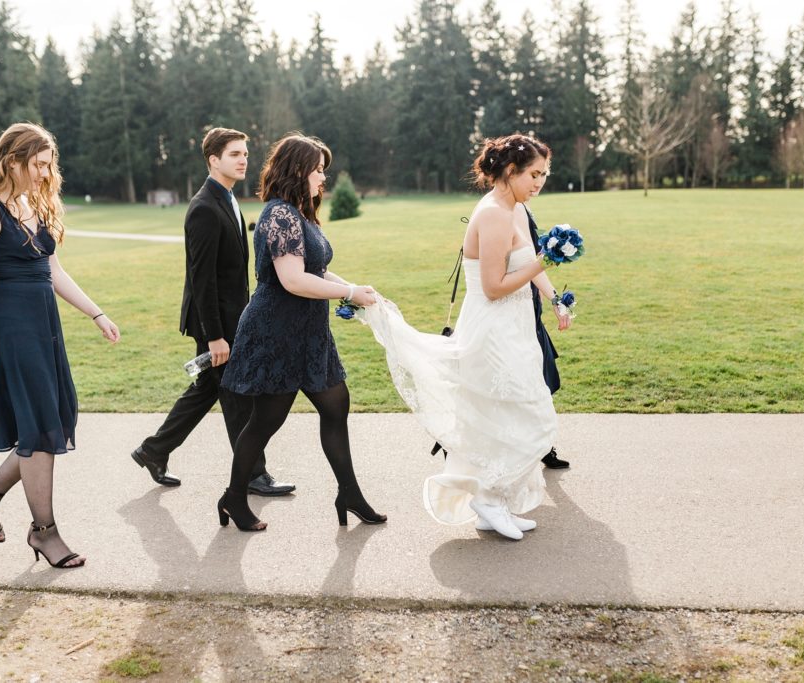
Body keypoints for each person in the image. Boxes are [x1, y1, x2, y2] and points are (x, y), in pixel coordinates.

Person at [360, 133, 559, 540]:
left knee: (512, 415)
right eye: (535, 174)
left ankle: (494, 502)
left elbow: (525, 268)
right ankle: (487, 499)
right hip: (493, 329)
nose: (540, 182)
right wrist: (544, 259)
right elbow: (493, 286)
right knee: (525, 416)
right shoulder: (492, 215)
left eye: (544, 175)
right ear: (510, 171)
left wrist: (553, 292)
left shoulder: (516, 209)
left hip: (516, 328)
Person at [0, 122, 120, 568]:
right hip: (10, 334)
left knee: (51, 421)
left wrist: (96, 312)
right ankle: (44, 532)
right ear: (13, 161)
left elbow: (54, 272)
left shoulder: (33, 204)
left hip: (44, 329)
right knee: (39, 429)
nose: (46, 174)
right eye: (39, 164)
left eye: (50, 166)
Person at [218, 133, 385, 531]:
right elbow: (293, 280)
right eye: (318, 170)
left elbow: (316, 271)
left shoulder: (300, 213)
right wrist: (347, 292)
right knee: (265, 421)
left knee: (335, 404)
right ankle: (233, 497)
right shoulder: (279, 216)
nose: (322, 178)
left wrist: (357, 291)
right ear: (298, 170)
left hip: (309, 331)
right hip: (276, 331)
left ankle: (349, 493)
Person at [130, 127, 294, 497]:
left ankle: (154, 450)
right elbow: (201, 279)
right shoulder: (204, 207)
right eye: (234, 154)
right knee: (237, 397)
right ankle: (253, 473)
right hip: (216, 322)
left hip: (230, 317)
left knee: (208, 389)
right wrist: (215, 336)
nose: (242, 160)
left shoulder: (228, 199)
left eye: (245, 154)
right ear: (213, 160)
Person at [520, 192, 572, 470]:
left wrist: (554, 299)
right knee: (529, 384)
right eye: (532, 175)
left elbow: (534, 264)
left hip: (530, 308)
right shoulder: (504, 214)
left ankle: (544, 445)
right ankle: (534, 447)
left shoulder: (523, 212)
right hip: (514, 311)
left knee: (542, 381)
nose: (537, 184)